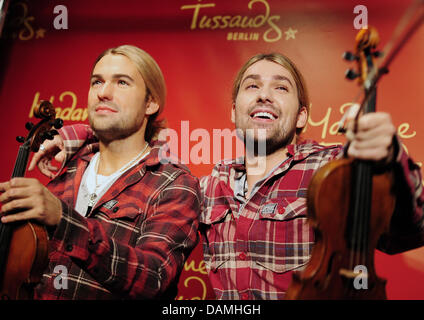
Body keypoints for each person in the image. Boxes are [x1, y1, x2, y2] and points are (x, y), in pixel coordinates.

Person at [28, 53, 424, 300]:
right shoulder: (207, 186)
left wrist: (390, 156)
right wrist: (77, 134)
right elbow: (130, 150)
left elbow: (410, 230)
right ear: (234, 112)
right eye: (252, 86)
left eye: (280, 88)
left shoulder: (334, 168)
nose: (264, 95)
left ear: (302, 116)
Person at [0, 45, 201, 299]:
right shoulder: (69, 161)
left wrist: (64, 221)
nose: (103, 93)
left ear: (150, 103)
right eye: (97, 82)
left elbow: (153, 279)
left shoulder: (174, 183)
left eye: (122, 83)